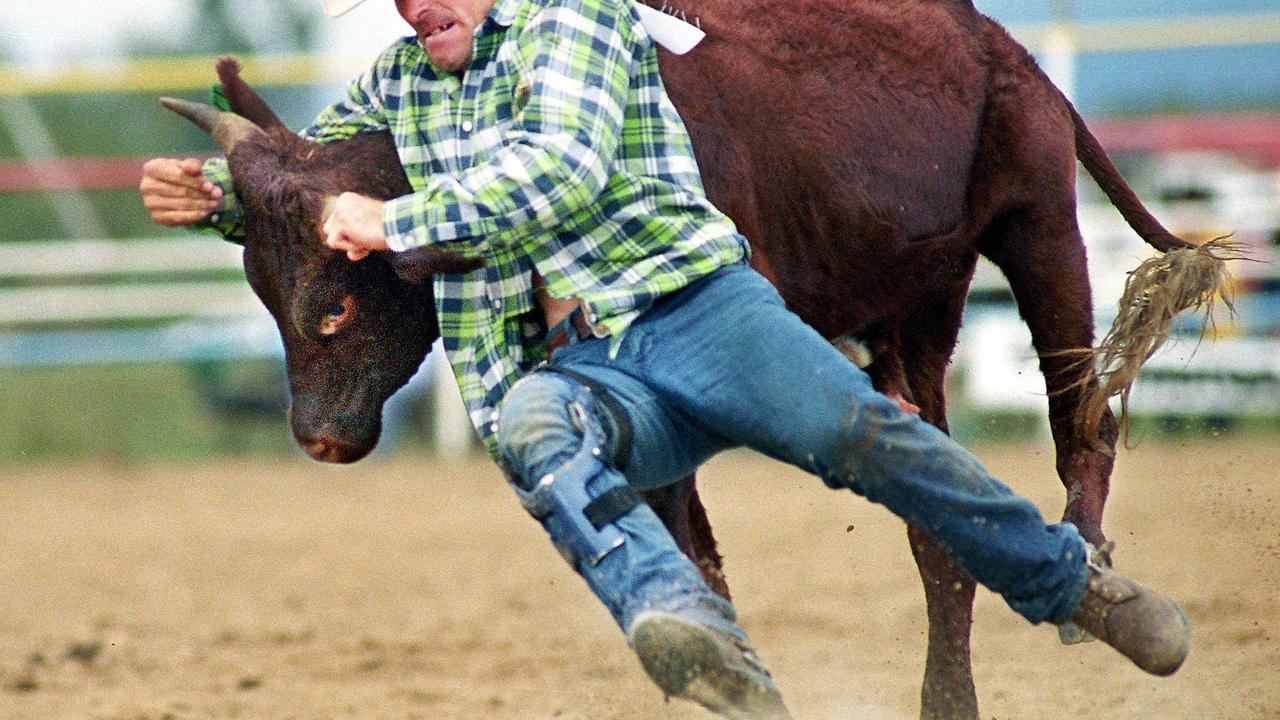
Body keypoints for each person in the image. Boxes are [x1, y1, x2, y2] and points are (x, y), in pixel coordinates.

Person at [139, 0, 1192, 716]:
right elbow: (313, 185)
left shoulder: (579, 21)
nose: (417, 8)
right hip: (586, 364)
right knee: (530, 431)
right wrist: (215, 197)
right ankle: (689, 630)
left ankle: (1068, 584)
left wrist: (401, 215)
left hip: (698, 310)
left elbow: (557, 168)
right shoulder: (402, 81)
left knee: (864, 434)